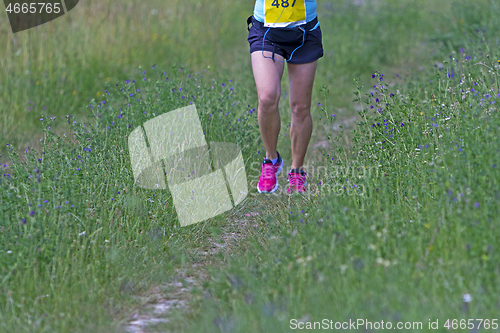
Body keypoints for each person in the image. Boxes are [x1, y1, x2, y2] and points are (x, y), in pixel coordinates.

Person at [247, 0, 323, 194]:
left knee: (300, 107)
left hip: (305, 32)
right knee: (267, 97)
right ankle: (271, 160)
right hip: (266, 30)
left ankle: (297, 172)